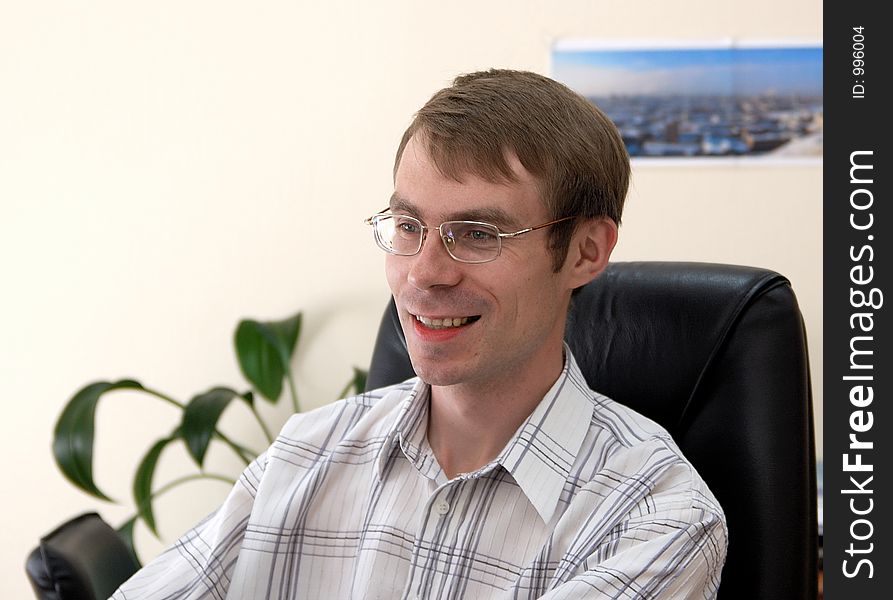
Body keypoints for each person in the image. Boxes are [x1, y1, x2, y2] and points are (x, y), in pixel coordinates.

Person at [112, 69, 727, 600]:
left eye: (479, 234)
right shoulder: (309, 452)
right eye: (409, 225)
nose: (424, 272)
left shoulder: (655, 515)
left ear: (586, 251)